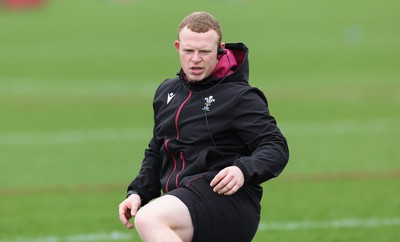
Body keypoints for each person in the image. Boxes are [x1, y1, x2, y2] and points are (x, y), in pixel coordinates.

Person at [119, 11, 289, 242]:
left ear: (220, 49)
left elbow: (276, 147)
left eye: (205, 52)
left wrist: (243, 169)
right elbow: (157, 150)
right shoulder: (167, 92)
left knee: (150, 218)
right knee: (151, 216)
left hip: (228, 200)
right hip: (184, 200)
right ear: (177, 47)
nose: (195, 58)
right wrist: (138, 192)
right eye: (188, 51)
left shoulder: (240, 96)